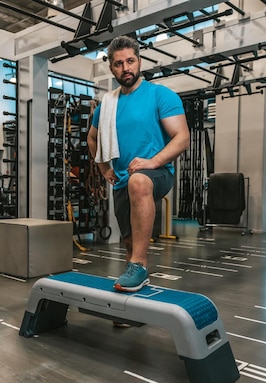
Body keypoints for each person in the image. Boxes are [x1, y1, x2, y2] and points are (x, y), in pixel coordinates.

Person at [87, 35, 190, 292]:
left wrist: (153, 161)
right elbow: (91, 137)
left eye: (130, 61)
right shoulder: (107, 105)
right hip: (122, 178)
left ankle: (140, 266)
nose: (126, 68)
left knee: (140, 180)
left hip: (157, 173)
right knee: (130, 244)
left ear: (139, 62)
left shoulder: (160, 95)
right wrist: (103, 168)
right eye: (119, 63)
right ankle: (132, 297)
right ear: (112, 68)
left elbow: (182, 137)